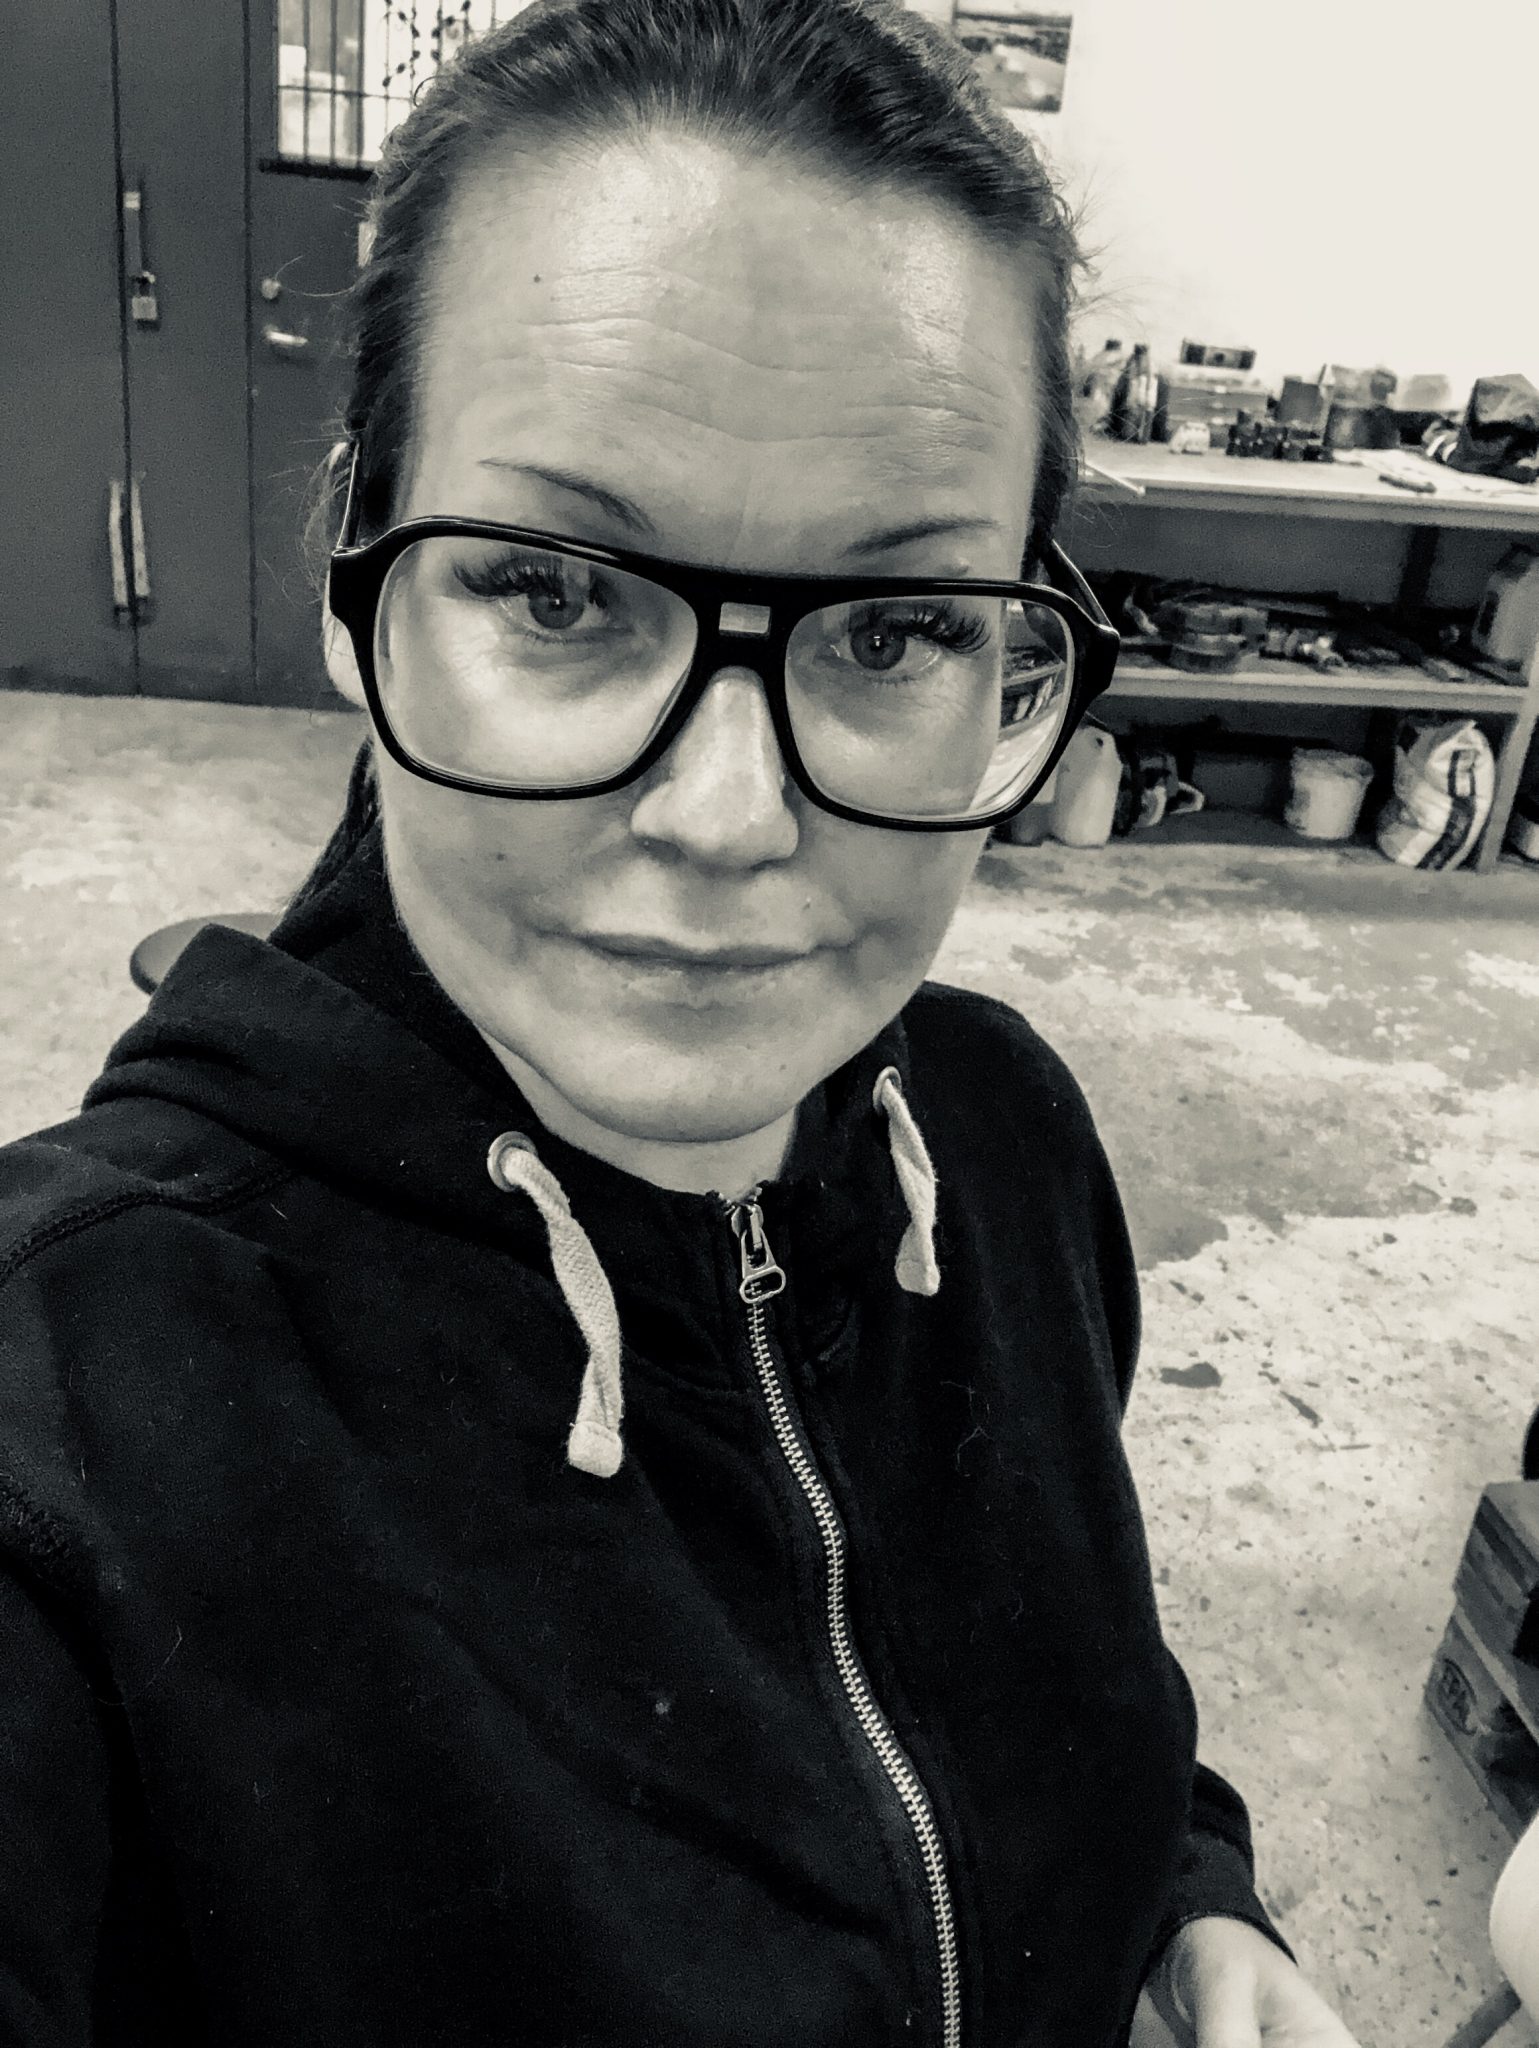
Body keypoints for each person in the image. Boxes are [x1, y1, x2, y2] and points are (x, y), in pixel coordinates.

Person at [0, 2, 1362, 2043]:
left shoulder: (1001, 1138)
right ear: (355, 585)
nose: (726, 817)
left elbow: (1072, 1700)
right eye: (558, 593)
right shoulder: (66, 1416)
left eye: (894, 626)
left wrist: (1187, 1899)